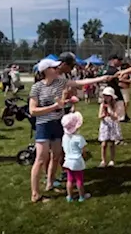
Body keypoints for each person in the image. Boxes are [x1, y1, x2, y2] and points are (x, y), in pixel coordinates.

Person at [28, 55, 112, 203]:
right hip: (44, 126)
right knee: (40, 159)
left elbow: (80, 82)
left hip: (57, 125)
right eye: (54, 67)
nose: (57, 69)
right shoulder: (37, 87)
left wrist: (102, 78)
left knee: (56, 157)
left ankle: (49, 184)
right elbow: (33, 111)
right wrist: (54, 107)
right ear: (46, 70)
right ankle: (35, 194)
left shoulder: (61, 82)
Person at [61, 112, 90, 202]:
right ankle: (82, 196)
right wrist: (85, 156)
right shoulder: (79, 138)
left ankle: (69, 196)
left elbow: (63, 147)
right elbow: (83, 150)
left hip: (68, 161)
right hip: (77, 161)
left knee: (69, 179)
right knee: (79, 179)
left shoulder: (64, 137)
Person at [98, 87, 122, 168]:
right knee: (104, 144)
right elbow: (99, 116)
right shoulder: (102, 105)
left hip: (112, 124)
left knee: (112, 143)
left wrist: (109, 109)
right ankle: (103, 160)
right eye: (105, 96)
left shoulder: (115, 105)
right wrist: (103, 115)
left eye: (108, 96)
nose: (106, 97)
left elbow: (115, 116)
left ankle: (112, 160)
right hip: (105, 124)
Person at [103, 54, 129, 123]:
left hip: (111, 90)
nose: (119, 62)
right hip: (113, 90)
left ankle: (114, 116)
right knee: (118, 103)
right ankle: (119, 117)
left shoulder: (109, 69)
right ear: (113, 60)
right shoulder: (113, 70)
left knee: (111, 104)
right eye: (118, 60)